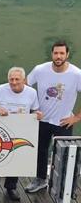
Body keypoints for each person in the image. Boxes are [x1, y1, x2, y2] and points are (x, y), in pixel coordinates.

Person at [25, 40, 81, 193]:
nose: (58, 56)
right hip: (42, 120)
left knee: (63, 155)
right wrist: (30, 109)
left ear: (67, 55)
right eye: (56, 53)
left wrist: (76, 118)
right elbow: (25, 86)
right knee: (40, 151)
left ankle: (62, 187)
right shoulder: (40, 70)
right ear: (52, 54)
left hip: (63, 122)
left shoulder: (76, 74)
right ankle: (40, 179)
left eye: (62, 53)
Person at [0, 67, 42, 200]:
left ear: (23, 80)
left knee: (15, 159)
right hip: (0, 129)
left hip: (20, 130)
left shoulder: (31, 92)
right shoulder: (1, 89)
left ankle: (11, 187)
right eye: (11, 79)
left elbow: (35, 110)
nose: (13, 82)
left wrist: (38, 114)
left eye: (17, 79)